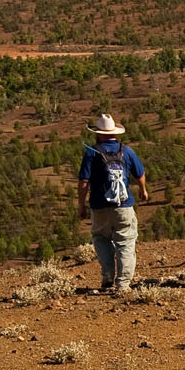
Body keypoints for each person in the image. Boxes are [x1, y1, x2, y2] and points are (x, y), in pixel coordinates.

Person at [76, 113, 149, 295]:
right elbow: (140, 174)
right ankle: (123, 284)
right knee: (125, 242)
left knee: (101, 239)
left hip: (99, 206)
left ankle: (108, 275)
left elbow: (83, 182)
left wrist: (81, 205)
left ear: (98, 133)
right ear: (115, 133)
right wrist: (143, 191)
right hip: (124, 206)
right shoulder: (127, 151)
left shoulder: (91, 152)